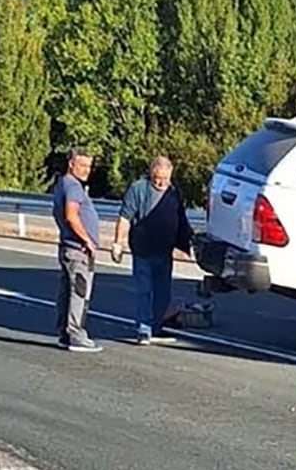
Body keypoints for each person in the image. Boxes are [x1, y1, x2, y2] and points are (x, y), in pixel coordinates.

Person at [110, 155, 194, 345]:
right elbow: (125, 217)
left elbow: (181, 220)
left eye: (164, 179)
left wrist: (188, 243)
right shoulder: (138, 189)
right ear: (151, 174)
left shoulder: (174, 192)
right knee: (145, 291)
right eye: (157, 179)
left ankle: (155, 326)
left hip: (164, 251)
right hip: (143, 250)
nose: (160, 182)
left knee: (163, 294)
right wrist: (118, 242)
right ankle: (144, 329)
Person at [51, 147, 103, 353]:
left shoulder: (64, 184)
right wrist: (87, 240)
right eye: (82, 165)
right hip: (77, 249)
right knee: (79, 292)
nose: (86, 170)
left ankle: (64, 333)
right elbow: (71, 215)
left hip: (68, 246)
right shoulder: (73, 187)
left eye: (89, 166)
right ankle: (76, 334)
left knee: (67, 291)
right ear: (71, 164)